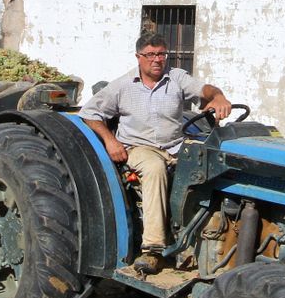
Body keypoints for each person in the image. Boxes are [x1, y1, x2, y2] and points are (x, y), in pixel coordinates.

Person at [80, 32, 232, 276]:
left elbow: (204, 89)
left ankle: (202, 238)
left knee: (208, 164)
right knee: (154, 168)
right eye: (150, 54)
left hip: (174, 146)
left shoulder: (176, 78)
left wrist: (218, 96)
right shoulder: (122, 86)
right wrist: (110, 141)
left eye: (161, 53)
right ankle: (152, 250)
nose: (157, 59)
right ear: (139, 57)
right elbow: (90, 113)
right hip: (139, 148)